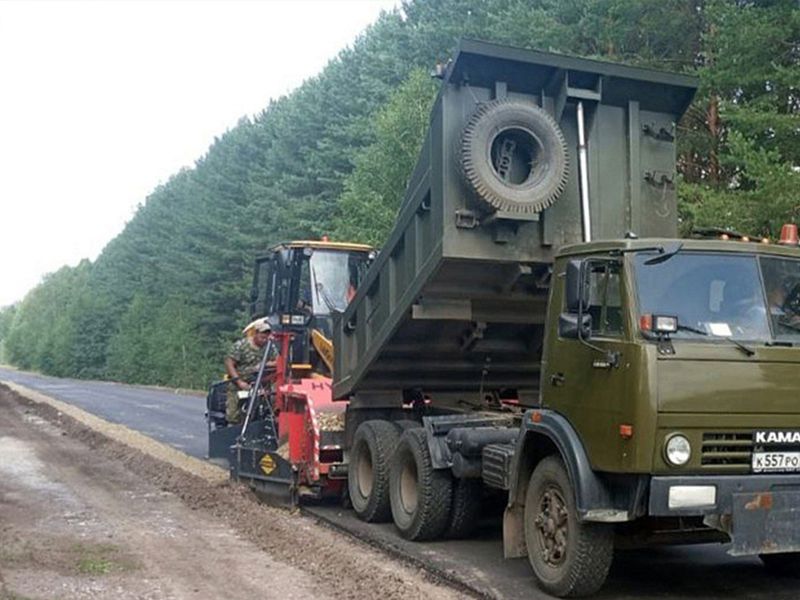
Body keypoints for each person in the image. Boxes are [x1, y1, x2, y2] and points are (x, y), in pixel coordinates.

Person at [223, 318, 274, 424]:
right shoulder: (241, 345)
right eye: (262, 337)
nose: (264, 340)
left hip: (261, 385)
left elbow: (277, 362)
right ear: (255, 333)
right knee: (233, 416)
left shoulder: (269, 347)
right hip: (239, 384)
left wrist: (265, 365)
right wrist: (239, 382)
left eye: (266, 338)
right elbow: (229, 363)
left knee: (264, 413)